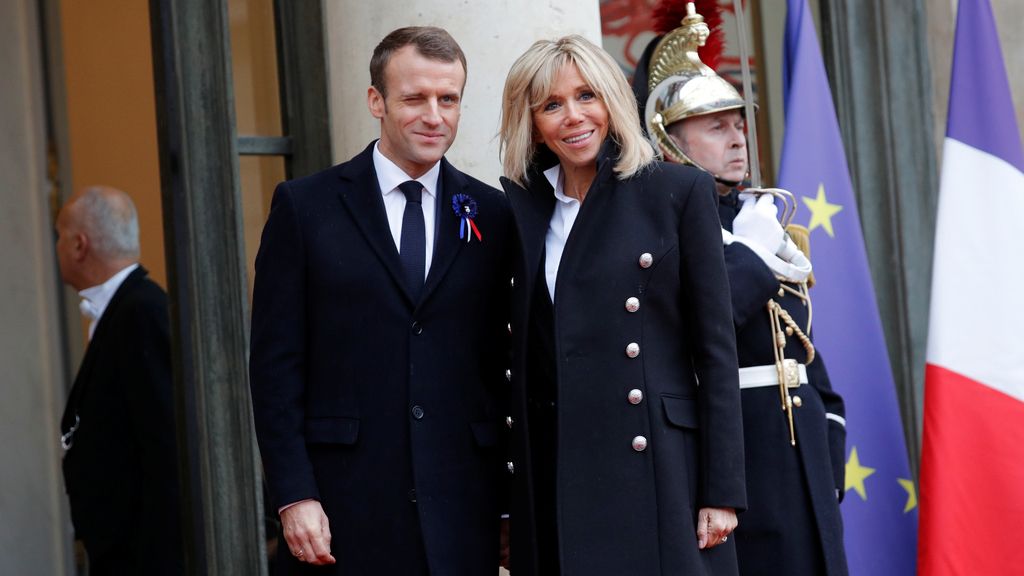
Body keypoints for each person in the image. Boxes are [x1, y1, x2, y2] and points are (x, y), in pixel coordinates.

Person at [249, 26, 514, 575]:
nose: (433, 116)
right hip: (344, 508)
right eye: (415, 98)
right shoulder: (305, 208)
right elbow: (275, 367)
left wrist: (511, 502)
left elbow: (504, 364)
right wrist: (294, 494)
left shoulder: (492, 212)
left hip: (464, 508)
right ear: (377, 101)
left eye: (448, 99)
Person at [498, 34, 746, 576]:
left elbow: (716, 353)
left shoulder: (677, 193)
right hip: (556, 470)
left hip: (660, 471)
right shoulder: (518, 211)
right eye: (552, 105)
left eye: (587, 96)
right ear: (532, 121)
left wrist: (721, 490)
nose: (573, 117)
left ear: (612, 99)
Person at [636, 4, 849, 575]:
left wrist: (829, 452)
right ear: (668, 140)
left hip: (802, 457)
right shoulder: (666, 228)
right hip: (740, 462)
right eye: (715, 126)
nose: (738, 139)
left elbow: (801, 348)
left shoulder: (760, 216)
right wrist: (753, 255)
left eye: (738, 122)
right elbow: (706, 321)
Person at [56, 185, 183, 575]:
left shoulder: (139, 313)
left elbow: (167, 446)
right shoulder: (123, 309)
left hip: (146, 559)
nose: (55, 246)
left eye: (58, 235)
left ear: (79, 245)